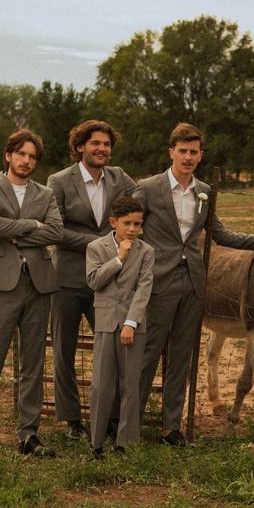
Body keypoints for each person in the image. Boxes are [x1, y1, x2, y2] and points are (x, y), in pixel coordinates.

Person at [133, 122, 254, 446]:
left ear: (201, 155)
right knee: (148, 353)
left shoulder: (205, 192)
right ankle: (129, 426)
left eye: (193, 152)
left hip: (194, 284)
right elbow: (130, 231)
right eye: (182, 151)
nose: (187, 157)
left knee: (182, 357)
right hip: (158, 282)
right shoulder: (147, 188)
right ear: (171, 151)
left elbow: (220, 234)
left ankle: (170, 428)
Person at [0, 129, 63, 459]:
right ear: (8, 155)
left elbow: (57, 231)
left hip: (39, 284)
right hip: (0, 284)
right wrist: (33, 226)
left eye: (33, 157)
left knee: (32, 364)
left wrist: (20, 230)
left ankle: (28, 436)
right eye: (21, 154)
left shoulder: (45, 193)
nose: (27, 161)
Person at [48, 120, 135, 440]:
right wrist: (102, 244)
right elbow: (55, 230)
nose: (102, 149)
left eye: (107, 144)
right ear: (80, 146)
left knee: (112, 348)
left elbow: (141, 204)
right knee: (63, 351)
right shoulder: (58, 181)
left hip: (107, 280)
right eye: (95, 143)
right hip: (68, 279)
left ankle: (110, 418)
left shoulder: (119, 177)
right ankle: (72, 420)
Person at [85, 195, 154, 455]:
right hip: (104, 323)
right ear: (113, 222)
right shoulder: (96, 248)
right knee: (101, 385)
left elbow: (143, 288)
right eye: (128, 223)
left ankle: (126, 442)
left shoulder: (147, 252)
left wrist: (131, 323)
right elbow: (94, 281)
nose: (134, 229)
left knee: (130, 385)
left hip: (133, 326)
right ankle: (97, 442)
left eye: (138, 224)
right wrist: (118, 259)